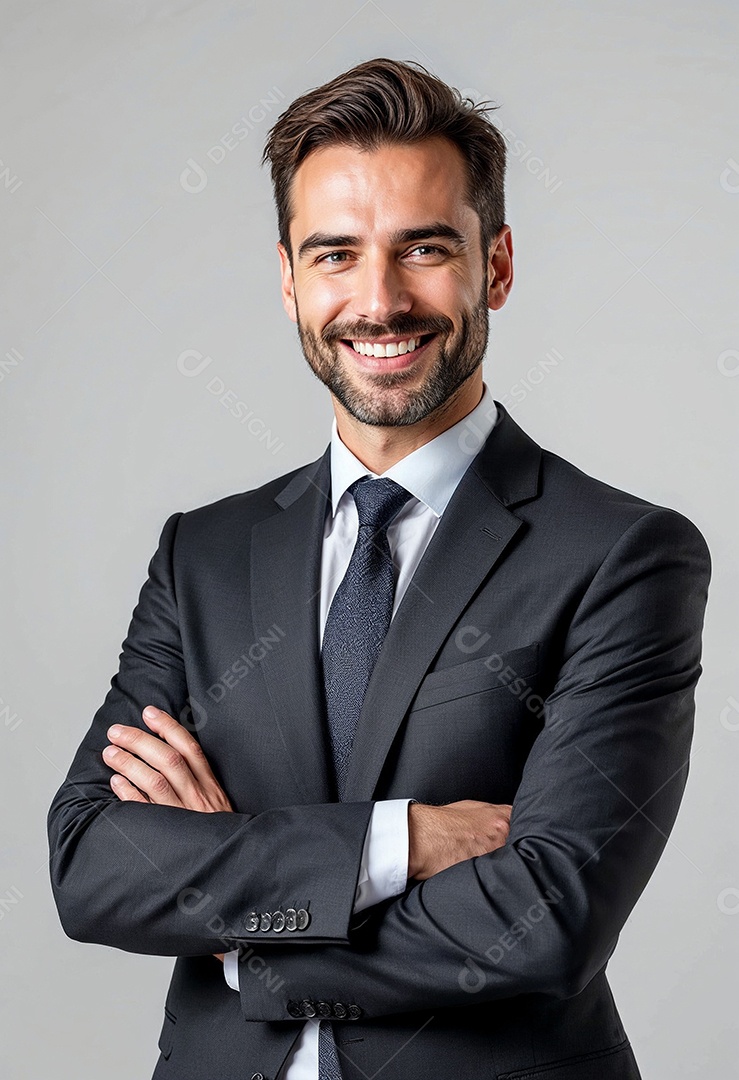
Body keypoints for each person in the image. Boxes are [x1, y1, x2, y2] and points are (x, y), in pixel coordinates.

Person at [47, 57, 711, 1080]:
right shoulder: (207, 556)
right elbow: (94, 867)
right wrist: (399, 844)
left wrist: (244, 932)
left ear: (495, 265)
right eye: (335, 255)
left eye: (423, 249)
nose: (379, 300)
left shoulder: (622, 554)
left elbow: (547, 918)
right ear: (287, 282)